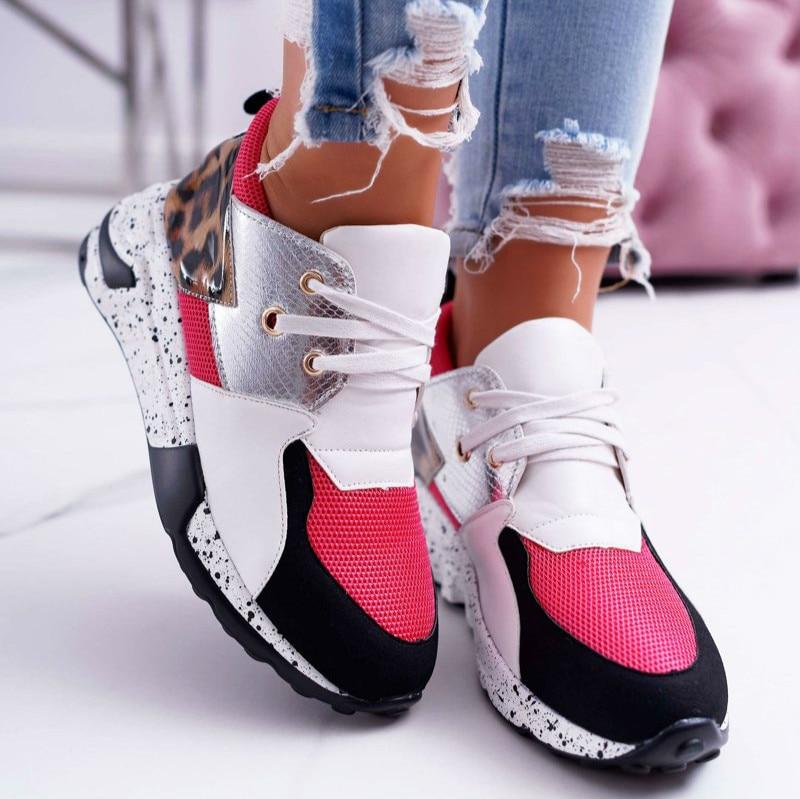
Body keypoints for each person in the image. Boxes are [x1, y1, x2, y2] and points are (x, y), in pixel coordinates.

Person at [79, 0, 727, 771]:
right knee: (365, 140)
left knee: (545, 267)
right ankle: (293, 210)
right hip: (276, 269)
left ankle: (512, 344)